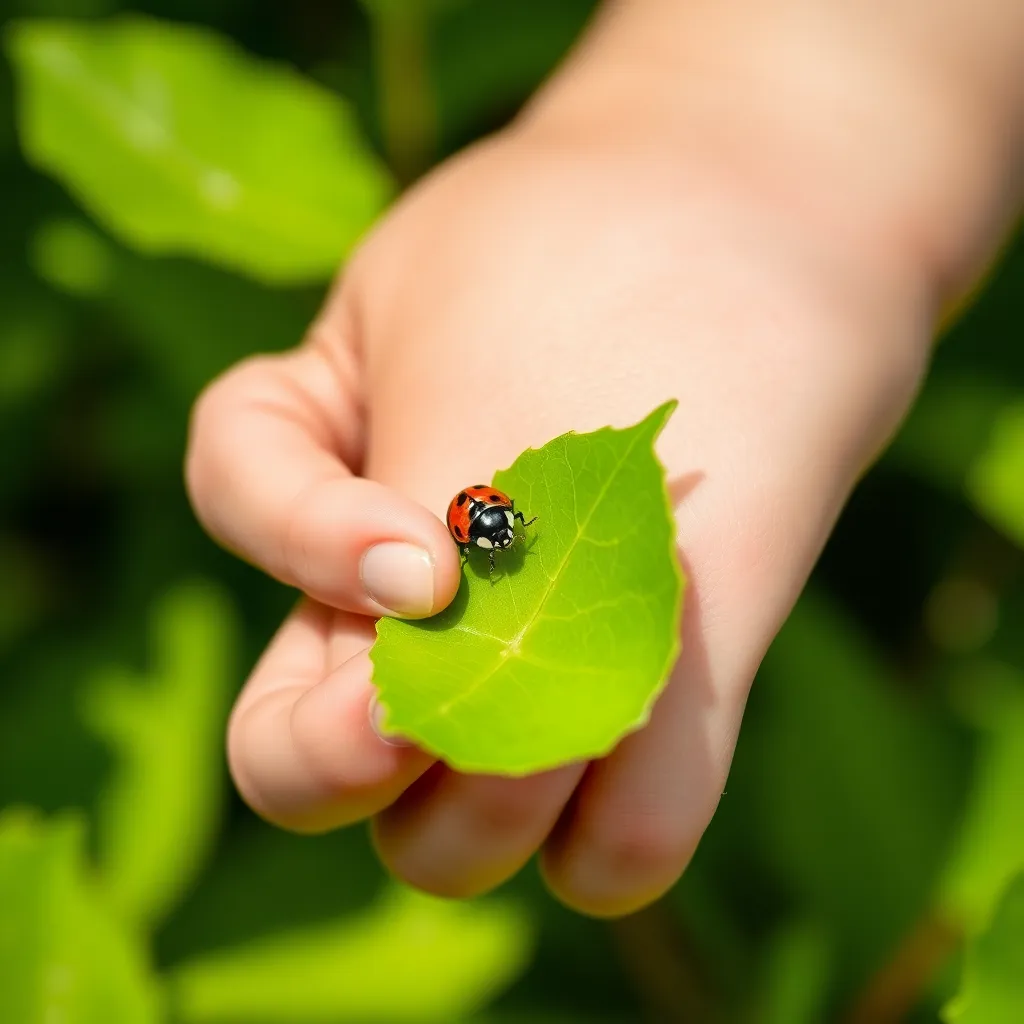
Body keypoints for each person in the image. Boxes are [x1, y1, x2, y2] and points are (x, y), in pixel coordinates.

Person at [184, 0, 1024, 917]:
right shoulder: (485, 511)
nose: (496, 531)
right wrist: (723, 115)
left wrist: (787, 157)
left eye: (494, 525)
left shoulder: (487, 515)